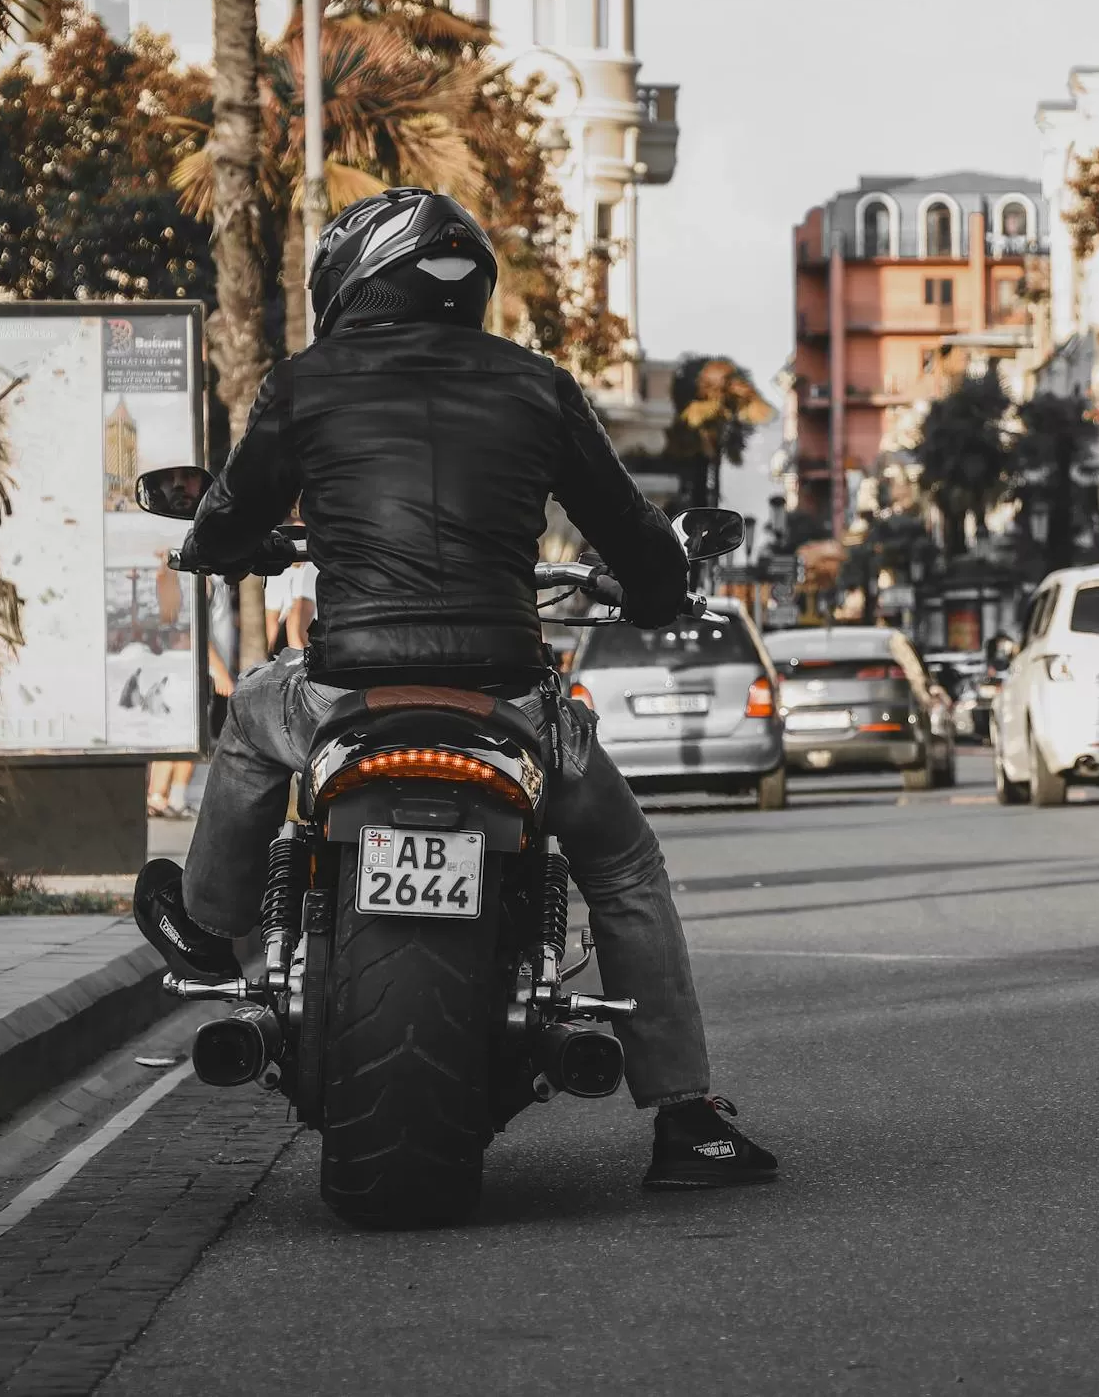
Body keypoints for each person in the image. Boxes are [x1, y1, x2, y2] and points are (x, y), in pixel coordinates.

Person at [130, 187, 773, 1190]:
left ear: (351, 281)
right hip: (506, 697)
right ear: (470, 287)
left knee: (253, 721)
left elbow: (219, 523)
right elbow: (632, 534)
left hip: (347, 694)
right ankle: (688, 1118)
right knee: (625, 867)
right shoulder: (535, 384)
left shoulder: (306, 383)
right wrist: (656, 589)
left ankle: (213, 930)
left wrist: (241, 544)